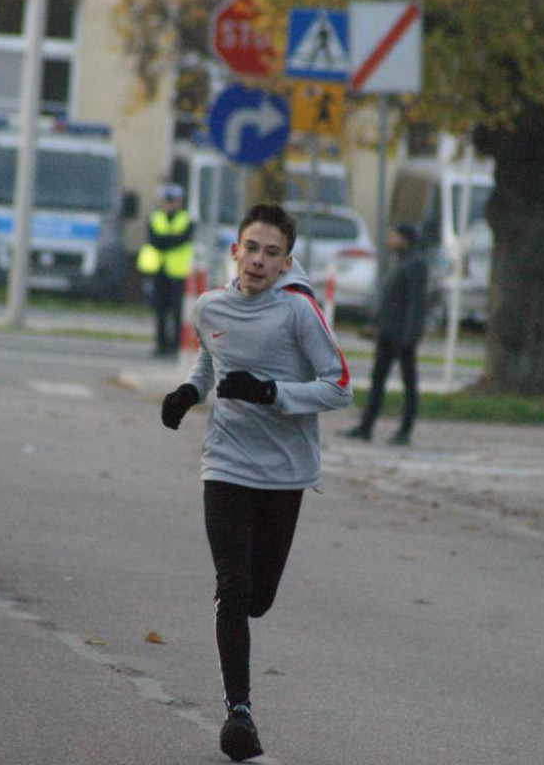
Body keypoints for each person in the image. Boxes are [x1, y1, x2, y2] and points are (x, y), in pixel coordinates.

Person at [159, 203, 352, 762]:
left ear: (287, 260)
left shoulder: (298, 312)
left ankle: (240, 649)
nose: (259, 260)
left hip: (285, 472)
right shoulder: (210, 305)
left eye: (272, 252)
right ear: (235, 250)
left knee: (258, 599)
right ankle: (239, 714)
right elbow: (212, 360)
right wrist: (189, 393)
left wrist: (272, 393)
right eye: (251, 248)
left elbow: (339, 386)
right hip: (226, 464)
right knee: (233, 586)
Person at [342, 222, 428, 446]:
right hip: (387, 333)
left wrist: (411, 336)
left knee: (409, 384)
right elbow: (390, 299)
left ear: (405, 238)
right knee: (377, 381)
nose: (390, 240)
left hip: (402, 335)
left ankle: (405, 430)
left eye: (394, 236)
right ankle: (366, 426)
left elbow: (416, 304)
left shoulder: (416, 264)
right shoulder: (400, 262)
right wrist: (375, 324)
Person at [137, 183, 194, 355]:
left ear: (180, 202)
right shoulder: (154, 218)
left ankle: (176, 346)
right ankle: (161, 345)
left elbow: (183, 239)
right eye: (166, 201)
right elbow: (155, 241)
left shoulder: (187, 219)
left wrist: (167, 240)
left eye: (173, 201)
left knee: (178, 311)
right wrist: (171, 240)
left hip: (179, 272)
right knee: (160, 310)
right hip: (157, 271)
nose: (169, 204)